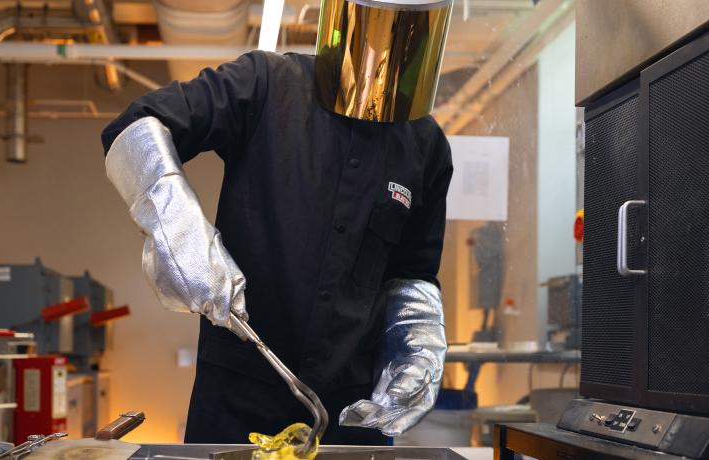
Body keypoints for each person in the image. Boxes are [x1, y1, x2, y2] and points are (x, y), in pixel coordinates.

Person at [102, 0, 454, 446]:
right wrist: (181, 233)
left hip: (350, 414)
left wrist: (415, 355)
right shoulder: (267, 84)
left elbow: (414, 275)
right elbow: (136, 125)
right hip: (237, 398)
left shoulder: (426, 145)